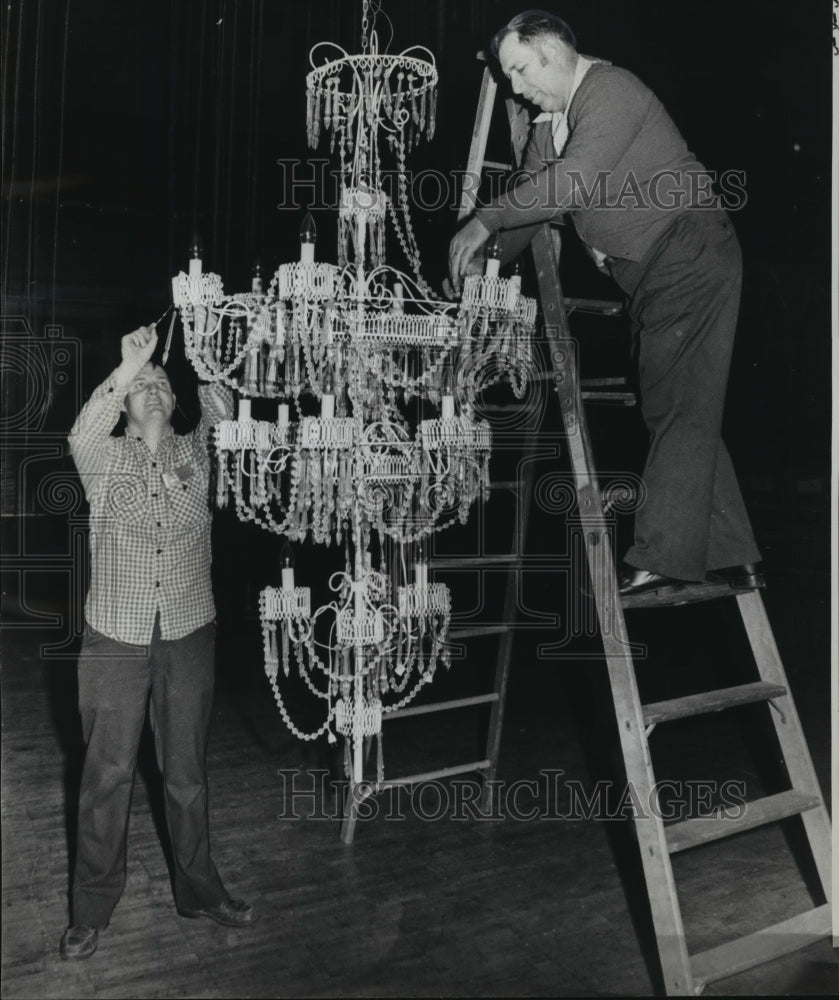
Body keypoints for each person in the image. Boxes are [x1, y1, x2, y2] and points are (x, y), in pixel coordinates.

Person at [448, 10, 763, 597]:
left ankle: (663, 555)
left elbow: (572, 185)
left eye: (519, 70)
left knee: (673, 403)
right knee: (685, 402)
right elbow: (531, 201)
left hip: (686, 249)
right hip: (653, 271)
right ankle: (734, 553)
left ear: (553, 52)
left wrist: (483, 218)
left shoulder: (611, 90)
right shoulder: (549, 126)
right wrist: (479, 256)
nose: (514, 88)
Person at [60, 324, 253, 961]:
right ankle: (91, 907)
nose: (150, 390)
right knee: (106, 775)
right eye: (141, 387)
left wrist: (204, 364)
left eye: (160, 384)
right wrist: (127, 366)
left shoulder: (201, 452)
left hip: (189, 630)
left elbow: (225, 418)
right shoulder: (104, 457)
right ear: (126, 401)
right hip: (115, 633)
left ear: (176, 402)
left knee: (187, 775)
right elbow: (80, 432)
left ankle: (199, 890)